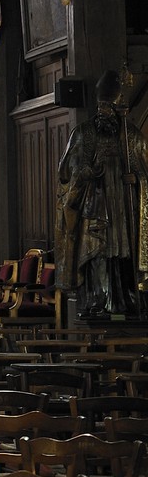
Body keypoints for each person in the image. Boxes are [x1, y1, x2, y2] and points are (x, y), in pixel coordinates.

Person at [54, 71, 148, 319]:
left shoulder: (132, 136)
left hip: (124, 209)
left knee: (125, 253)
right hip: (96, 206)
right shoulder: (83, 133)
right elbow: (67, 170)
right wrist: (86, 171)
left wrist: (137, 180)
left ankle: (128, 298)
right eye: (103, 106)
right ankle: (98, 299)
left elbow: (145, 170)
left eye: (110, 106)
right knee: (98, 254)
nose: (106, 111)